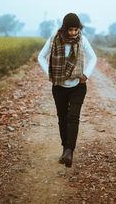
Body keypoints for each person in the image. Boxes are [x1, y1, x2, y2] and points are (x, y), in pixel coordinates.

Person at [38, 13, 97, 167]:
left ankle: (70, 150)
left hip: (78, 86)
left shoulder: (82, 40)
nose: (73, 33)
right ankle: (66, 149)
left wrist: (86, 74)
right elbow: (40, 57)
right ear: (64, 29)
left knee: (73, 117)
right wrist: (49, 73)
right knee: (62, 118)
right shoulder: (54, 39)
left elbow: (93, 57)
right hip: (59, 87)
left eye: (76, 30)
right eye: (70, 30)